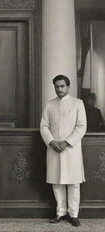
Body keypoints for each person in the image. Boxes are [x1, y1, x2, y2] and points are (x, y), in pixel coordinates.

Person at [40, 74, 87, 227]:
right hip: (54, 148)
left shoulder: (77, 103)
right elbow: (44, 126)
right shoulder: (49, 105)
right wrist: (52, 142)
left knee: (73, 183)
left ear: (68, 87)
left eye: (62, 86)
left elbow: (81, 127)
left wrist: (67, 143)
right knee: (57, 181)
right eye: (57, 86)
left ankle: (73, 214)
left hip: (71, 149)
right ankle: (60, 212)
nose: (59, 89)